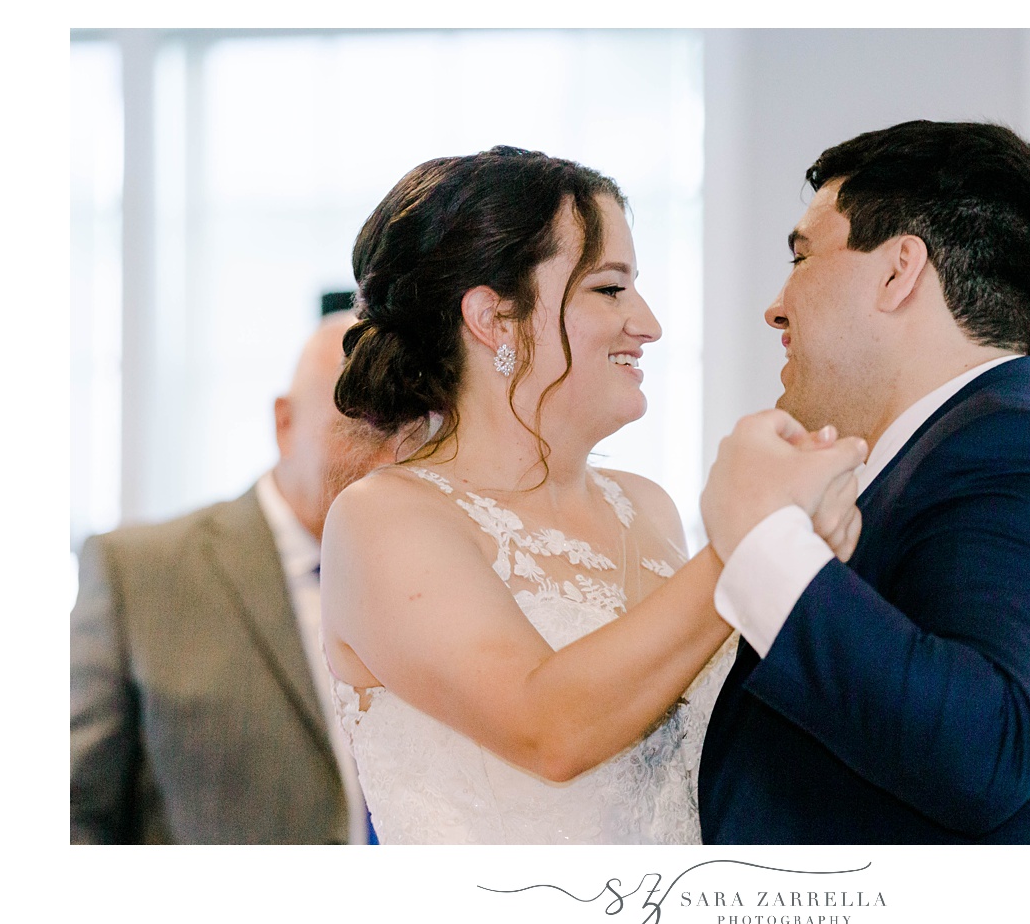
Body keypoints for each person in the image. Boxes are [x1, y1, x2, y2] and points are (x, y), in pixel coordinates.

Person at [320, 147, 863, 844]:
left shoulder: (648, 507)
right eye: (610, 289)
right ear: (494, 318)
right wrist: (744, 540)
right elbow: (550, 726)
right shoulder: (384, 517)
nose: (647, 323)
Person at [697, 119, 1030, 844]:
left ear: (899, 270)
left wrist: (761, 538)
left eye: (802, 257)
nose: (776, 304)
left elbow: (984, 748)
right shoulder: (958, 453)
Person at [70, 308, 397, 844]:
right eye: (365, 425)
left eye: (416, 427)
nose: (390, 457)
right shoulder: (139, 575)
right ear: (284, 424)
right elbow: (71, 809)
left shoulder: (440, 579)